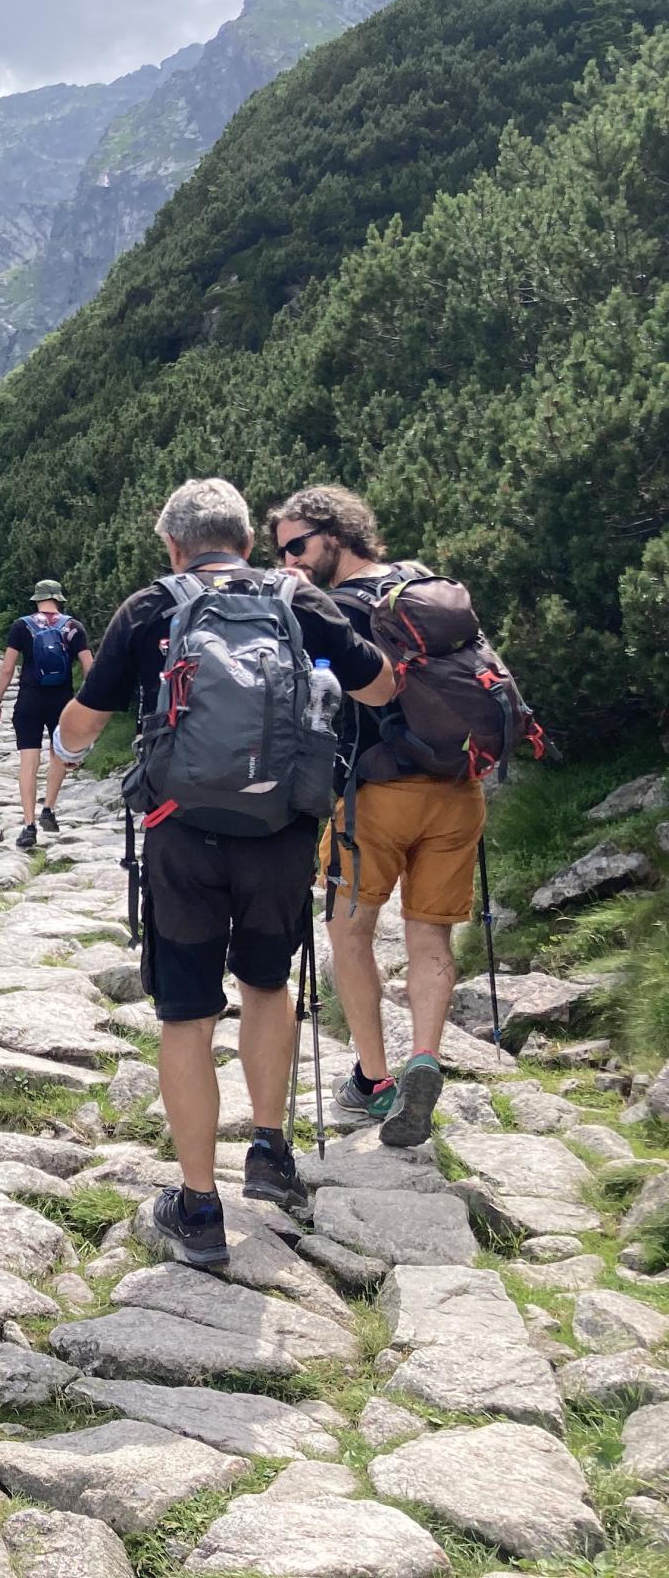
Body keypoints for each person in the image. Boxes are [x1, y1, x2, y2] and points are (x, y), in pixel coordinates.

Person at [51, 478, 394, 1267]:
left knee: (187, 1013)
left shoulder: (149, 608)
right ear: (246, 540)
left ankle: (199, 1206)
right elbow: (379, 685)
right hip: (280, 834)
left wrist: (55, 775)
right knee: (268, 988)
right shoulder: (300, 601)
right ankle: (270, 1153)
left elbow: (84, 717)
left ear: (174, 544)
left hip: (182, 840)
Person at [268, 485, 479, 1150]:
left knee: (348, 931)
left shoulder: (336, 608)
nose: (291, 560)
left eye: (298, 545)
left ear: (337, 535)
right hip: (457, 791)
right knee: (430, 941)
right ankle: (423, 1056)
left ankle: (375, 1081)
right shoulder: (424, 588)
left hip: (374, 798)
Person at [0, 581, 94, 850]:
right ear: (59, 600)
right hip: (62, 703)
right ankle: (48, 808)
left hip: (29, 702)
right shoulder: (73, 627)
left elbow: (7, 668)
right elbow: (90, 668)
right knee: (58, 754)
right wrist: (88, 703)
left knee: (28, 762)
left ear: (37, 600)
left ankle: (28, 825)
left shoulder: (21, 626)